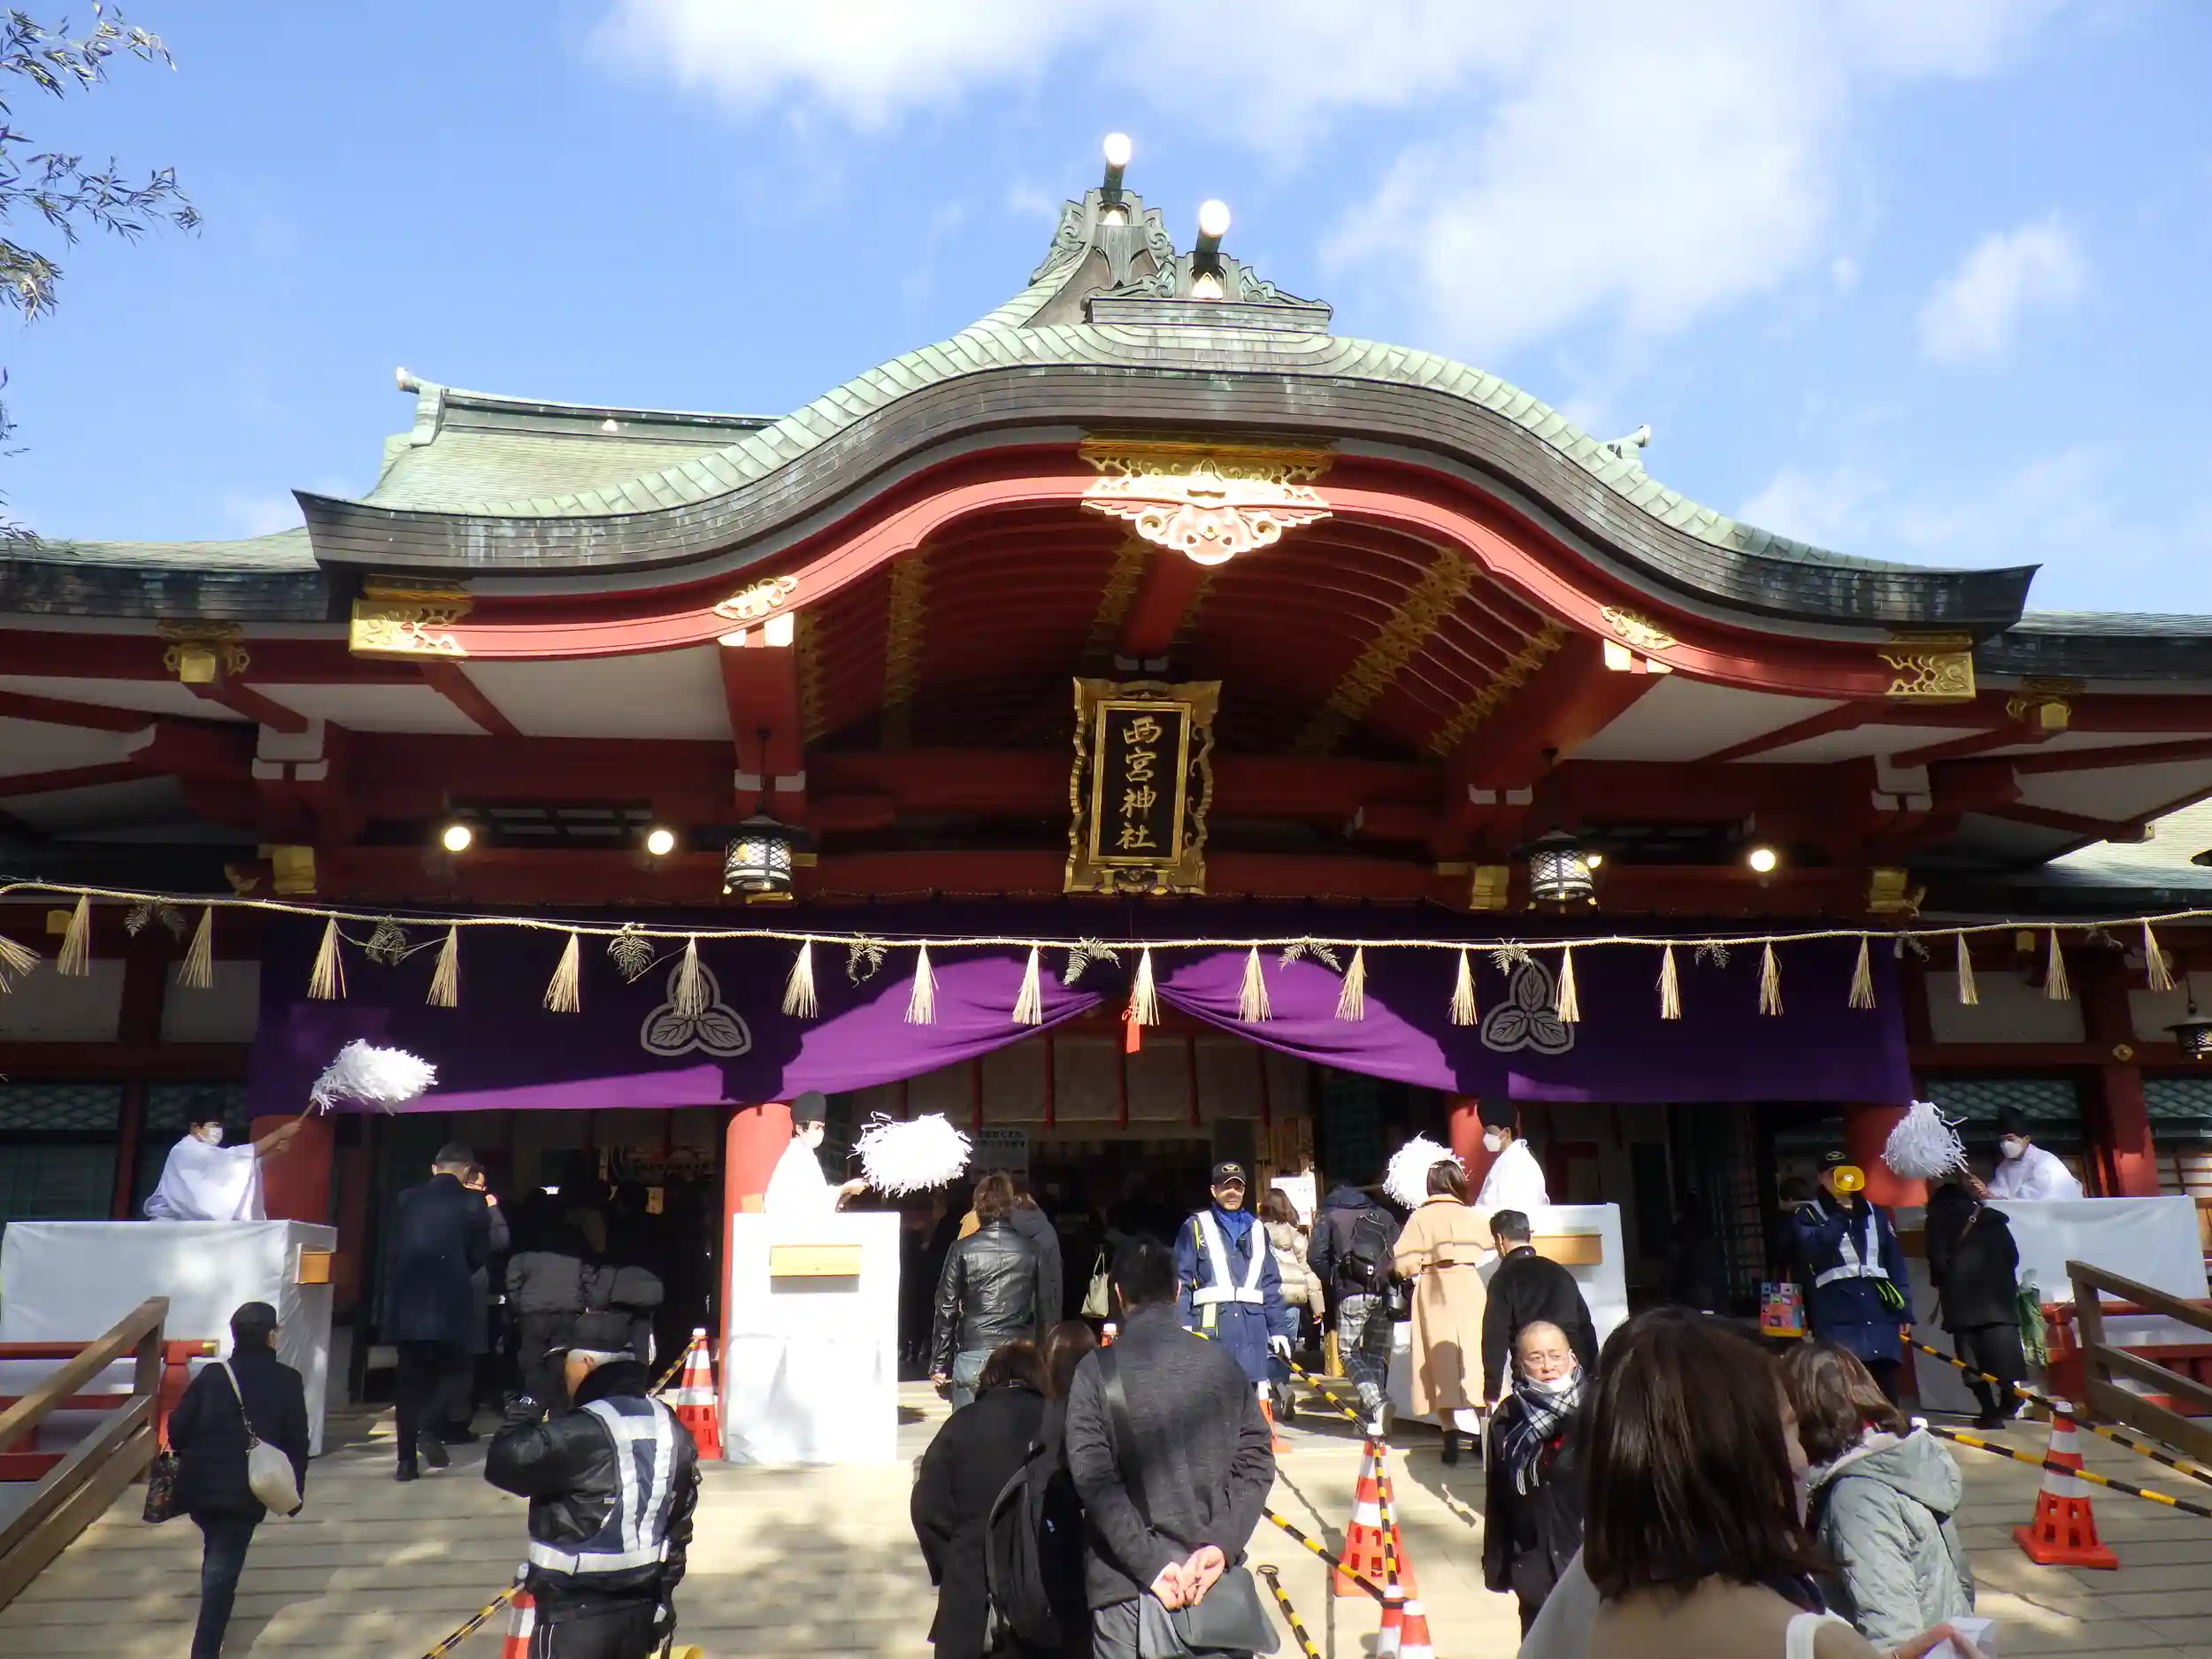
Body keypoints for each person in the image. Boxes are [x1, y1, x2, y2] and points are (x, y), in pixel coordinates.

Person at [1578, 1310, 1985, 1659]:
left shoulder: (1597, 1609)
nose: (1800, 1456)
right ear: (1740, 1456)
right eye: (1789, 1429)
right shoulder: (1808, 1640)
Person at [1064, 1239, 1277, 1659]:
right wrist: (1221, 1544)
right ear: (1178, 1291)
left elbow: (1093, 1480)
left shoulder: (1094, 1372)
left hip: (1126, 1591)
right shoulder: (1222, 1364)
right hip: (1210, 1586)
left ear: (1118, 1294)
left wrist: (1152, 1562)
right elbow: (1256, 1460)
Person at [485, 1310, 700, 1659]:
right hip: (641, 1611)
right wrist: (663, 1602)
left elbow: (503, 1463)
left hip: (573, 1618)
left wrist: (531, 1400)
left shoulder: (580, 1429)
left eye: (565, 1364)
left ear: (585, 1362)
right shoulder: (667, 1423)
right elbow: (679, 1524)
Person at [1780, 1342, 1976, 1650]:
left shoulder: (1858, 1498)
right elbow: (1962, 1584)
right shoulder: (1901, 1459)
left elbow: (1892, 1633)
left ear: (1806, 1415)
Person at [166, 1301, 311, 1659]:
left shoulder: (213, 1375)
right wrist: (293, 1495)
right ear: (270, 1335)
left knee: (216, 1551)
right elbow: (297, 1442)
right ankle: (205, 1650)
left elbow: (178, 1427)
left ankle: (209, 1629)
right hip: (247, 1487)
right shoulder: (287, 1380)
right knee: (223, 1569)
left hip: (199, 1484)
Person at [912, 1340, 1053, 1659]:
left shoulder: (961, 1424)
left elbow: (926, 1505)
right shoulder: (1058, 1420)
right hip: (1044, 1598)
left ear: (991, 1376)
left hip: (969, 1592)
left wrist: (952, 1558)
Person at [384, 1142, 493, 1481]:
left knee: (408, 1382)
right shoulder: (473, 1202)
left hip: (410, 1300)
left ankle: (405, 1462)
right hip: (450, 1299)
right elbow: (479, 1254)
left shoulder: (407, 1198)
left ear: (435, 1167)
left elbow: (393, 1248)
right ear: (467, 1170)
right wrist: (458, 1271)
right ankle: (428, 1426)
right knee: (455, 1371)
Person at [1173, 1161, 1296, 1438]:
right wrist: (1183, 1323)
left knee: (1249, 1412)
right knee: (1212, 1409)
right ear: (1213, 1190)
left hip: (1251, 1332)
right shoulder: (1195, 1227)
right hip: (1212, 1331)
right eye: (1225, 1187)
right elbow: (1181, 1281)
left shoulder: (1258, 1230)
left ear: (1244, 1190)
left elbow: (1270, 1284)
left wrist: (1278, 1329)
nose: (1232, 1192)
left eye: (1237, 1187)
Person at [1784, 1152, 1915, 1403]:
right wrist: (1839, 1216)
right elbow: (1813, 1251)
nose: (1842, 1179)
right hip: (1836, 1312)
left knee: (1885, 1385)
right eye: (1834, 1174)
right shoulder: (1808, 1215)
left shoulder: (1875, 1213)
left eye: (1847, 1172)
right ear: (1821, 1178)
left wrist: (1904, 1307)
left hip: (1878, 1310)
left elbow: (1895, 1263)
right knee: (1844, 1387)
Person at [1484, 1320, 1585, 1634]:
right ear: (1520, 1365)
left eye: (1555, 1356)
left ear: (1572, 1358)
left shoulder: (1599, 1409)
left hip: (1588, 1564)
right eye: (1536, 1358)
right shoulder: (1508, 1417)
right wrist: (1498, 1566)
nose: (1547, 1366)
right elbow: (1498, 1494)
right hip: (1534, 1565)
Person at [1394, 1156, 1494, 1463]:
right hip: (1468, 1285)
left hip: (1433, 1287)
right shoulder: (1471, 1215)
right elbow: (1492, 1239)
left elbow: (1402, 1264)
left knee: (1437, 1360)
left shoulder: (1419, 1218)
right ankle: (1484, 1432)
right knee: (1475, 1357)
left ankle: (1449, 1432)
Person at [933, 1171, 1047, 1409]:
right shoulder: (1032, 1250)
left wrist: (940, 1361)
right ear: (1010, 1206)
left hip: (973, 1352)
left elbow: (946, 1307)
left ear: (979, 1207)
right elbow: (1044, 1309)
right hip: (1017, 1356)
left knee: (968, 1427)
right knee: (1017, 1428)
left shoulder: (962, 1249)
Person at [1923, 1177, 2026, 1428]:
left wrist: (1941, 1278)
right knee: (2004, 1354)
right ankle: (2010, 1398)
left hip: (1962, 1302)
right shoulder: (1992, 1218)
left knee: (1972, 1359)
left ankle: (1989, 1411)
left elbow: (1938, 1261)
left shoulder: (1937, 1220)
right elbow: (2013, 1256)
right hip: (1999, 1300)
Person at [1308, 1174, 1402, 1436]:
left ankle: (1378, 1403)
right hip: (1384, 1291)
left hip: (1350, 1290)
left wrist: (1334, 1279)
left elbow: (1315, 1256)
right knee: (1375, 1354)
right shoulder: (1382, 1214)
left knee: (1348, 1353)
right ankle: (1374, 1418)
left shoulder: (1328, 1214)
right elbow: (1399, 1250)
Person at [1481, 1209, 1597, 1404]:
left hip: (1532, 1377)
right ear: (1530, 1235)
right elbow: (1585, 1327)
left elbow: (1495, 1338)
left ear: (1500, 1240)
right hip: (1570, 1375)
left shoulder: (1503, 1279)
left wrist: (1491, 1391)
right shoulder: (1560, 1273)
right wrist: (1594, 1375)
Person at [507, 1192, 600, 1412]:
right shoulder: (576, 1239)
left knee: (532, 1360)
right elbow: (589, 1274)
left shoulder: (527, 1241)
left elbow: (513, 1278)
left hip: (533, 1311)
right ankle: (559, 1408)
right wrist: (590, 1301)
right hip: (569, 1308)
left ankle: (534, 1404)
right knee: (560, 1360)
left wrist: (517, 1305)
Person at [143, 1110, 299, 1221]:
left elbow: (242, 1167)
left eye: (220, 1126)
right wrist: (279, 1134)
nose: (218, 1131)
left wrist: (273, 1153)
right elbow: (234, 1159)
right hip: (173, 1225)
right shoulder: (184, 1150)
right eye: (214, 1125)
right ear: (196, 1127)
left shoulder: (208, 1152)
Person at [450, 1164, 510, 1438]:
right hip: (469, 1289)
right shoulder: (475, 1210)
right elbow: (500, 1240)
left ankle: (450, 1418)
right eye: (478, 1186)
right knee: (466, 1356)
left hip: (453, 1291)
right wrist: (493, 1209)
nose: (482, 1191)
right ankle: (456, 1420)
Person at [595, 1179, 667, 1368]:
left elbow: (610, 1264)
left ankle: (620, 1378)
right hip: (651, 1294)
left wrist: (599, 1296)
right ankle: (641, 1378)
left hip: (622, 1294)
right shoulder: (659, 1226)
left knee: (615, 1345)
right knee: (642, 1341)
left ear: (622, 1202)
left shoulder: (619, 1228)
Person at [764, 1090, 869, 1215]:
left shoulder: (807, 1154)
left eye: (822, 1128)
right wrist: (844, 1189)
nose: (821, 1132)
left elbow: (816, 1199)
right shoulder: (795, 1157)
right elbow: (805, 1204)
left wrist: (844, 1194)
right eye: (817, 1127)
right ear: (800, 1128)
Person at [1258, 1187, 1323, 1374]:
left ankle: (1268, 1383)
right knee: (1287, 1347)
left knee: (1267, 1345)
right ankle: (1282, 1383)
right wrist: (1317, 1307)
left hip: (1266, 1296)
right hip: (1293, 1297)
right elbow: (1308, 1272)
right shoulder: (1295, 1236)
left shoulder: (1255, 1233)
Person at [1980, 1108, 2084, 1202]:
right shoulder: (2004, 1167)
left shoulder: (2045, 1163)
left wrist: (2000, 1200)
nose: (2005, 1144)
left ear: (2026, 1139)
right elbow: (1999, 1191)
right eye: (2002, 1140)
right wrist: (1987, 1193)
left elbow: (2034, 1199)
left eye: (2010, 1139)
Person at [1010, 1173, 1066, 1325]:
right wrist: (1055, 1321)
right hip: (1038, 1318)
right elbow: (1055, 1280)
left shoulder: (999, 1230)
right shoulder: (1046, 1228)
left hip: (1006, 1318)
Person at [1475, 1100, 1549, 1213]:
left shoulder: (1516, 1162)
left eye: (1490, 1132)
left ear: (1506, 1132)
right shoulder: (1508, 1158)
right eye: (1484, 1133)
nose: (1486, 1137)